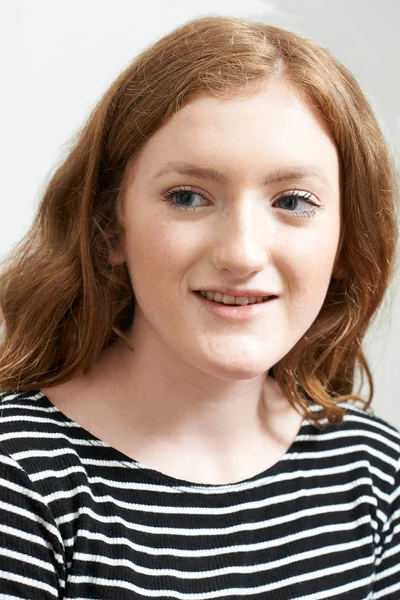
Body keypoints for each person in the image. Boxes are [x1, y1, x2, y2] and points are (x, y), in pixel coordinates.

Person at [0, 14, 398, 599]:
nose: (240, 253)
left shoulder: (375, 472)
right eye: (187, 197)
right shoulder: (19, 476)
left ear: (347, 238)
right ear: (111, 226)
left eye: (293, 200)